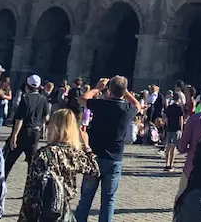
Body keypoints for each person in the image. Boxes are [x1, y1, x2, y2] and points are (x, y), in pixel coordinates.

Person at [76, 76, 141, 222]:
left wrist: (98, 87)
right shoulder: (127, 109)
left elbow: (82, 98)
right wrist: (126, 92)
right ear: (124, 91)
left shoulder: (100, 104)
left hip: (94, 156)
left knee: (85, 198)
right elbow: (137, 104)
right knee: (108, 200)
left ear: (109, 90)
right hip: (114, 159)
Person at [17, 109, 99, 222]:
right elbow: (94, 170)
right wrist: (87, 147)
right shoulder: (74, 153)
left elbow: (31, 191)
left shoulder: (44, 154)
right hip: (64, 211)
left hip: (43, 210)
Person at [5, 75, 50, 177]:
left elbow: (19, 119)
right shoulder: (43, 99)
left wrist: (14, 135)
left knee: (10, 159)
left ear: (27, 86)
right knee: (32, 162)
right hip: (35, 133)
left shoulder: (25, 98)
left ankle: (1, 182)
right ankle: (32, 186)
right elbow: (45, 117)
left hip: (23, 131)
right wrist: (42, 130)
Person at [164, 91, 185, 172]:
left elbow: (166, 119)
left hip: (169, 128)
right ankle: (171, 164)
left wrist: (166, 127)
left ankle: (166, 164)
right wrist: (182, 129)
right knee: (174, 147)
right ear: (179, 99)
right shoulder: (180, 108)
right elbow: (181, 120)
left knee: (168, 146)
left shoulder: (169, 107)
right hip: (177, 129)